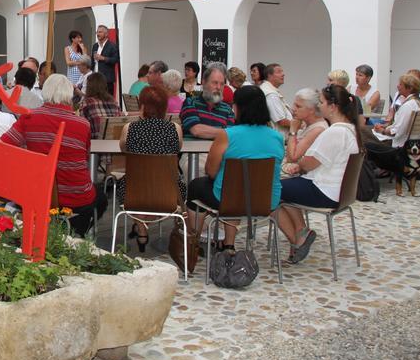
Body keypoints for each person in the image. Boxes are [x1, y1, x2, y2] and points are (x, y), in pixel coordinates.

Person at [1, 74, 105, 236]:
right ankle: (74, 235)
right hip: (77, 201)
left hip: (38, 198)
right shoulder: (83, 124)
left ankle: (54, 231)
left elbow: (3, 148)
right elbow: (84, 159)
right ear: (69, 95)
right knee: (101, 196)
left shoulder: (28, 117)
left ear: (45, 91)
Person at [187, 85, 284, 251]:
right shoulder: (277, 137)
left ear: (239, 107)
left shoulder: (227, 135)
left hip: (229, 199)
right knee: (234, 189)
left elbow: (211, 171)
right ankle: (228, 244)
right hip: (266, 200)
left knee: (198, 186)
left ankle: (193, 240)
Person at [277, 84, 362, 263]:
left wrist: (298, 166)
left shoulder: (335, 132)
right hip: (338, 191)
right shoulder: (351, 129)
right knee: (282, 187)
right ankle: (301, 232)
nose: (319, 106)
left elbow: (308, 164)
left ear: (332, 107)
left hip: (324, 190)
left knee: (269, 190)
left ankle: (300, 236)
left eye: (322, 102)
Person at [122, 85, 185, 251]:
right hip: (167, 191)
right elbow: (177, 150)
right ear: (164, 107)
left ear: (142, 106)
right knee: (179, 186)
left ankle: (141, 227)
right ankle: (146, 224)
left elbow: (124, 149)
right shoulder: (175, 129)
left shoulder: (129, 129)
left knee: (125, 184)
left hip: (135, 190)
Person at [180, 63, 234, 139]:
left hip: (218, 150)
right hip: (193, 150)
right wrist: (225, 132)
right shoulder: (190, 103)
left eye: (222, 84)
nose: (218, 87)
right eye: (215, 83)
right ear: (204, 82)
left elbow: (231, 135)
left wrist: (228, 133)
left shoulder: (227, 109)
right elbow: (196, 130)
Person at [374, 73, 420, 147]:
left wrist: (382, 131)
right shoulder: (418, 103)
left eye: (401, 84)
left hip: (399, 144)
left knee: (364, 132)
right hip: (413, 140)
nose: (398, 86)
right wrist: (385, 127)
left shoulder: (408, 106)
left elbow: (396, 132)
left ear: (410, 88)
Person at [286, 88, 329, 163]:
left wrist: (293, 130)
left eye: (298, 106)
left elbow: (292, 158)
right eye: (294, 104)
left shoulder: (318, 129)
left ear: (311, 110)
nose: (293, 109)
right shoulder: (306, 124)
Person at [80, 72, 120, 139]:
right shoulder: (114, 102)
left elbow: (82, 128)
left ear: (89, 87)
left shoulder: (86, 103)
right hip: (113, 144)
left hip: (95, 144)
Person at [260, 63, 292, 135]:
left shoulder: (270, 90)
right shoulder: (271, 94)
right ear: (269, 76)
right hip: (279, 138)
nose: (283, 74)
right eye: (279, 72)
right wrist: (299, 125)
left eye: (282, 71)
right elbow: (281, 121)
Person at [91, 25, 119, 95]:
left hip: (106, 80)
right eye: (97, 32)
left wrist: (103, 58)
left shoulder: (112, 46)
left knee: (106, 103)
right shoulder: (95, 46)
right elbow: (92, 61)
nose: (97, 34)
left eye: (100, 32)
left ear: (106, 34)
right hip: (95, 79)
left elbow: (116, 59)